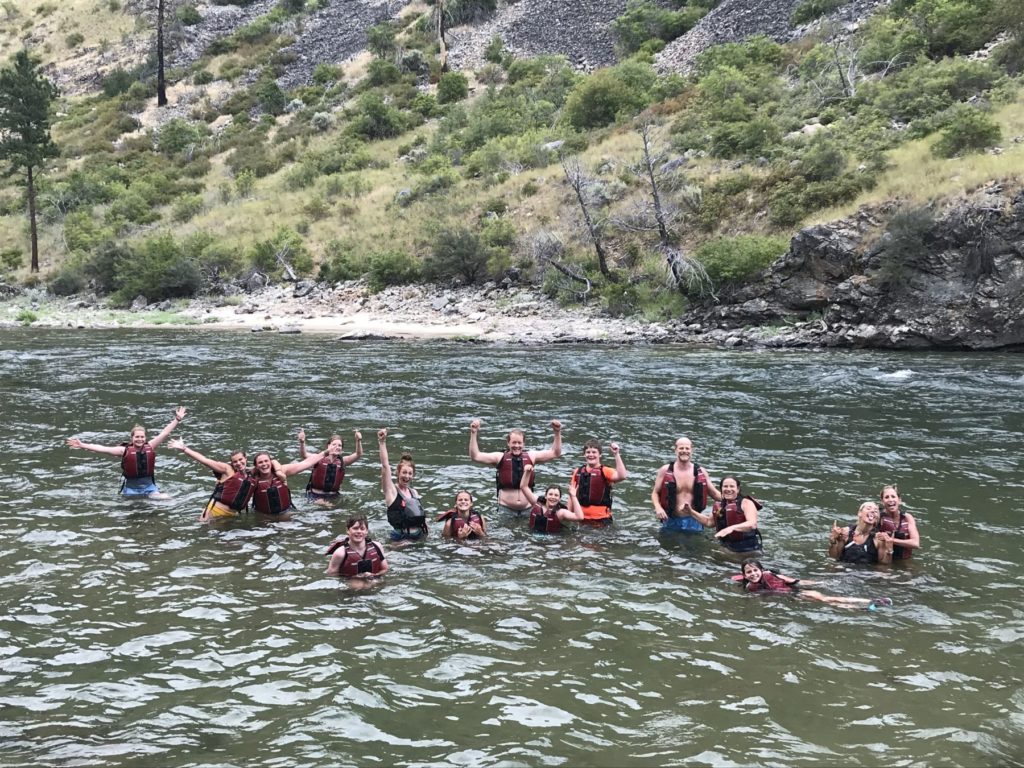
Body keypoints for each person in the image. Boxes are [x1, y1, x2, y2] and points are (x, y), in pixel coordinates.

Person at [66, 406, 187, 498]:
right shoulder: (123, 451)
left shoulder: (150, 446)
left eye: (142, 437)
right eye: (137, 437)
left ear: (145, 438)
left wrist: (177, 419)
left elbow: (164, 433)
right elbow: (102, 449)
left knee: (166, 499)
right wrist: (82, 445)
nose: (140, 439)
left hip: (150, 488)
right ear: (132, 439)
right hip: (131, 490)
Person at [468, 418, 562, 515]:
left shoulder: (531, 456)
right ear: (508, 443)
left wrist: (557, 432)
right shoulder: (499, 457)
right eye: (514, 442)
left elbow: (555, 453)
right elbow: (475, 456)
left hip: (528, 508)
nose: (516, 446)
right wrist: (473, 433)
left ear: (523, 444)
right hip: (506, 509)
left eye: (519, 443)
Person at [737, 559, 893, 610]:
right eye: (749, 572)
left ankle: (870, 602)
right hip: (789, 599)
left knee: (827, 599)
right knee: (828, 604)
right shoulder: (750, 588)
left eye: (755, 570)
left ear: (761, 570)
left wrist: (820, 582)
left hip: (795, 593)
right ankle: (864, 608)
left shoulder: (770, 574)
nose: (753, 574)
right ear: (744, 575)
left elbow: (795, 581)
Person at [168, 439, 264, 521]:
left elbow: (267, 464)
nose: (238, 463)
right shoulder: (227, 469)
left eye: (240, 459)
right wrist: (184, 449)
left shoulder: (250, 474)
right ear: (232, 463)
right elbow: (204, 460)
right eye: (235, 461)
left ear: (246, 458)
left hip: (231, 516)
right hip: (214, 513)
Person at [651, 436, 722, 532]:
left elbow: (714, 493)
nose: (684, 451)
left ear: (692, 450)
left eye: (687, 448)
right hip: (671, 520)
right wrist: (658, 508)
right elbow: (655, 492)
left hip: (695, 521)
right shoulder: (665, 470)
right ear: (675, 450)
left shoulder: (701, 471)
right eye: (681, 448)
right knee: (669, 546)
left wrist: (737, 500)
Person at [379, 428, 428, 542]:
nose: (407, 476)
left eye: (410, 473)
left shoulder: (414, 492)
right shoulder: (391, 491)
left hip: (419, 536)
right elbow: (385, 465)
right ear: (398, 473)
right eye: (404, 472)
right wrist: (382, 442)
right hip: (400, 539)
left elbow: (421, 517)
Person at [249, 448, 326, 517]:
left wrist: (326, 452)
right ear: (256, 466)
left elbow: (305, 463)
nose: (264, 464)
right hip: (264, 517)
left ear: (271, 462)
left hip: (286, 513)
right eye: (260, 462)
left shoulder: (282, 471)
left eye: (266, 461)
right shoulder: (252, 479)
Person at [569, 439, 627, 525]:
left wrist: (616, 454)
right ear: (584, 454)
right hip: (581, 518)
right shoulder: (577, 472)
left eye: (594, 452)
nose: (591, 455)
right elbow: (571, 496)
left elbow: (622, 476)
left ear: (600, 454)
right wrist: (568, 515)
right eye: (588, 452)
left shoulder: (605, 471)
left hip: (601, 519)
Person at [297, 429, 363, 501]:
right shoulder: (318, 458)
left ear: (342, 449)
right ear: (328, 446)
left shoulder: (343, 461)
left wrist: (358, 441)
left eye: (339, 445)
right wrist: (302, 442)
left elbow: (358, 454)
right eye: (334, 444)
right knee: (325, 505)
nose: (337, 447)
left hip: (334, 496)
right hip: (314, 495)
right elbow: (304, 454)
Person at [828, 502, 894, 565]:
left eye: (876, 511)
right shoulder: (846, 532)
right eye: (868, 508)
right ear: (859, 513)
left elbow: (884, 565)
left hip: (866, 574)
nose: (873, 511)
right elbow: (835, 557)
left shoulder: (879, 538)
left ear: (876, 518)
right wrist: (833, 540)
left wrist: (889, 550)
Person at [326, 516, 389, 580]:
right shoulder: (340, 553)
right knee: (357, 585)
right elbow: (331, 575)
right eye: (355, 528)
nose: (359, 531)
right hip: (351, 584)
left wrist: (374, 576)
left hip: (374, 581)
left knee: (374, 582)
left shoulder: (377, 546)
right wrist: (356, 577)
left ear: (366, 531)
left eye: (362, 529)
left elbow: (385, 569)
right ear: (348, 530)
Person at [712, 476, 763, 552]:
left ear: (738, 489)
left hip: (747, 548)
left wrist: (731, 528)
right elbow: (708, 522)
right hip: (727, 545)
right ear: (721, 489)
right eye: (725, 486)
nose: (728, 489)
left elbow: (752, 524)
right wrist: (691, 512)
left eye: (732, 486)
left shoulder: (746, 502)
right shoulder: (721, 505)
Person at [879, 484, 920, 560]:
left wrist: (892, 540)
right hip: (883, 559)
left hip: (904, 560)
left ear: (899, 500)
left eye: (893, 496)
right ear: (882, 501)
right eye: (887, 497)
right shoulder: (878, 517)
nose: (890, 500)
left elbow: (915, 543)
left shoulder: (907, 518)